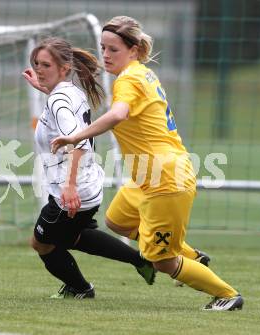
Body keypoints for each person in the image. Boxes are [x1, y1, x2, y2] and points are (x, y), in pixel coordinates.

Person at [50, 16, 243, 311]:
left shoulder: (129, 79)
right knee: (117, 219)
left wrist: (73, 136)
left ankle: (227, 295)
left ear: (134, 49)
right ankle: (192, 257)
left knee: (161, 261)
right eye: (103, 47)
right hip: (148, 175)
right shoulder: (141, 73)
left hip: (166, 180)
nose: (106, 54)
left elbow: (117, 115)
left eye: (113, 49)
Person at [22, 37, 155, 299]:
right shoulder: (71, 91)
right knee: (73, 237)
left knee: (42, 244)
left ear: (64, 68)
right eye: (36, 63)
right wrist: (45, 88)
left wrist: (69, 187)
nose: (39, 69)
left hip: (71, 190)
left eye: (46, 65)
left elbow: (79, 143)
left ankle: (81, 288)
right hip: (87, 185)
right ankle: (140, 260)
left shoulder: (59, 101)